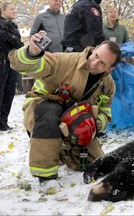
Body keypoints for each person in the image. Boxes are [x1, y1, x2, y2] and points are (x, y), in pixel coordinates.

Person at [8, 32, 121, 184]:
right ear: (94, 49)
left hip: (74, 124)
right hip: (41, 110)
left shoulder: (108, 85)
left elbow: (105, 112)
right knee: (50, 112)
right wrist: (32, 52)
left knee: (95, 162)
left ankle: (56, 150)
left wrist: (96, 124)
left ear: (110, 69)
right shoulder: (65, 60)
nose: (95, 63)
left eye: (102, 63)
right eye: (96, 56)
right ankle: (45, 175)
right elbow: (23, 65)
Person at [0, 0, 23, 135]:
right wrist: (12, 38)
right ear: (3, 10)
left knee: (9, 94)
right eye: (12, 9)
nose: (14, 11)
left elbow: (18, 43)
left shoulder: (14, 26)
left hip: (11, 63)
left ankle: (3, 123)